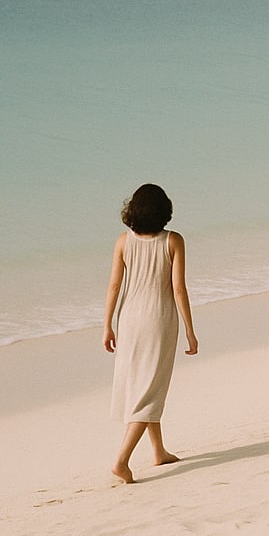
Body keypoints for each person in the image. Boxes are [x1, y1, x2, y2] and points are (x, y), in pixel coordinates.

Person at [103, 183, 198, 483]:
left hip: (128, 319)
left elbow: (114, 286)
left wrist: (106, 324)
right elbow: (179, 289)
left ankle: (158, 451)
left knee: (144, 384)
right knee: (151, 388)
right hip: (158, 318)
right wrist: (190, 331)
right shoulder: (173, 241)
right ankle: (121, 460)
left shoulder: (122, 242)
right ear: (164, 210)